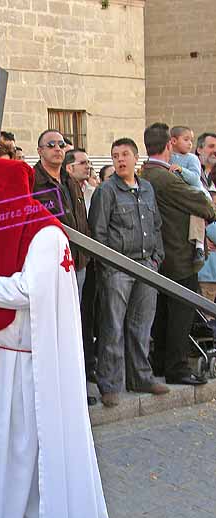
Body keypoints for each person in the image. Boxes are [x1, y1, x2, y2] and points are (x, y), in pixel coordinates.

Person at [0, 158, 114, 518]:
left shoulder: (46, 232)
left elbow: (28, 290)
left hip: (27, 357)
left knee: (24, 439)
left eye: (0, 192)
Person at [89, 138, 168, 406]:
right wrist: (109, 265)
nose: (120, 160)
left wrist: (157, 259)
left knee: (142, 325)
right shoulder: (106, 191)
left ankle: (141, 377)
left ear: (136, 158)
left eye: (125, 155)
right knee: (113, 326)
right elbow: (98, 232)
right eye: (115, 156)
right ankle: (110, 384)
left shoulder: (147, 188)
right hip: (118, 268)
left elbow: (156, 225)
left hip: (147, 265)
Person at [141, 123, 215, 385]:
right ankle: (177, 368)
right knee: (180, 315)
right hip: (179, 256)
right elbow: (206, 206)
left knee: (162, 314)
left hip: (160, 256)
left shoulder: (146, 173)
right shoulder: (165, 178)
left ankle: (161, 363)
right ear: (170, 144)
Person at [33, 130, 90, 300]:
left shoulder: (71, 181)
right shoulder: (32, 181)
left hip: (77, 262)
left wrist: (85, 254)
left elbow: (82, 218)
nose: (57, 148)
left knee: (73, 317)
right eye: (51, 145)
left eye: (61, 145)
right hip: (48, 265)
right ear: (39, 151)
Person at [170, 126, 211, 265]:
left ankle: (199, 246)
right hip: (180, 195)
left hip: (195, 193)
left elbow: (195, 178)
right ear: (173, 141)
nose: (189, 143)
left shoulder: (192, 158)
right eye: (186, 139)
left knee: (196, 213)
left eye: (191, 140)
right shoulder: (168, 157)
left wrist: (181, 170)